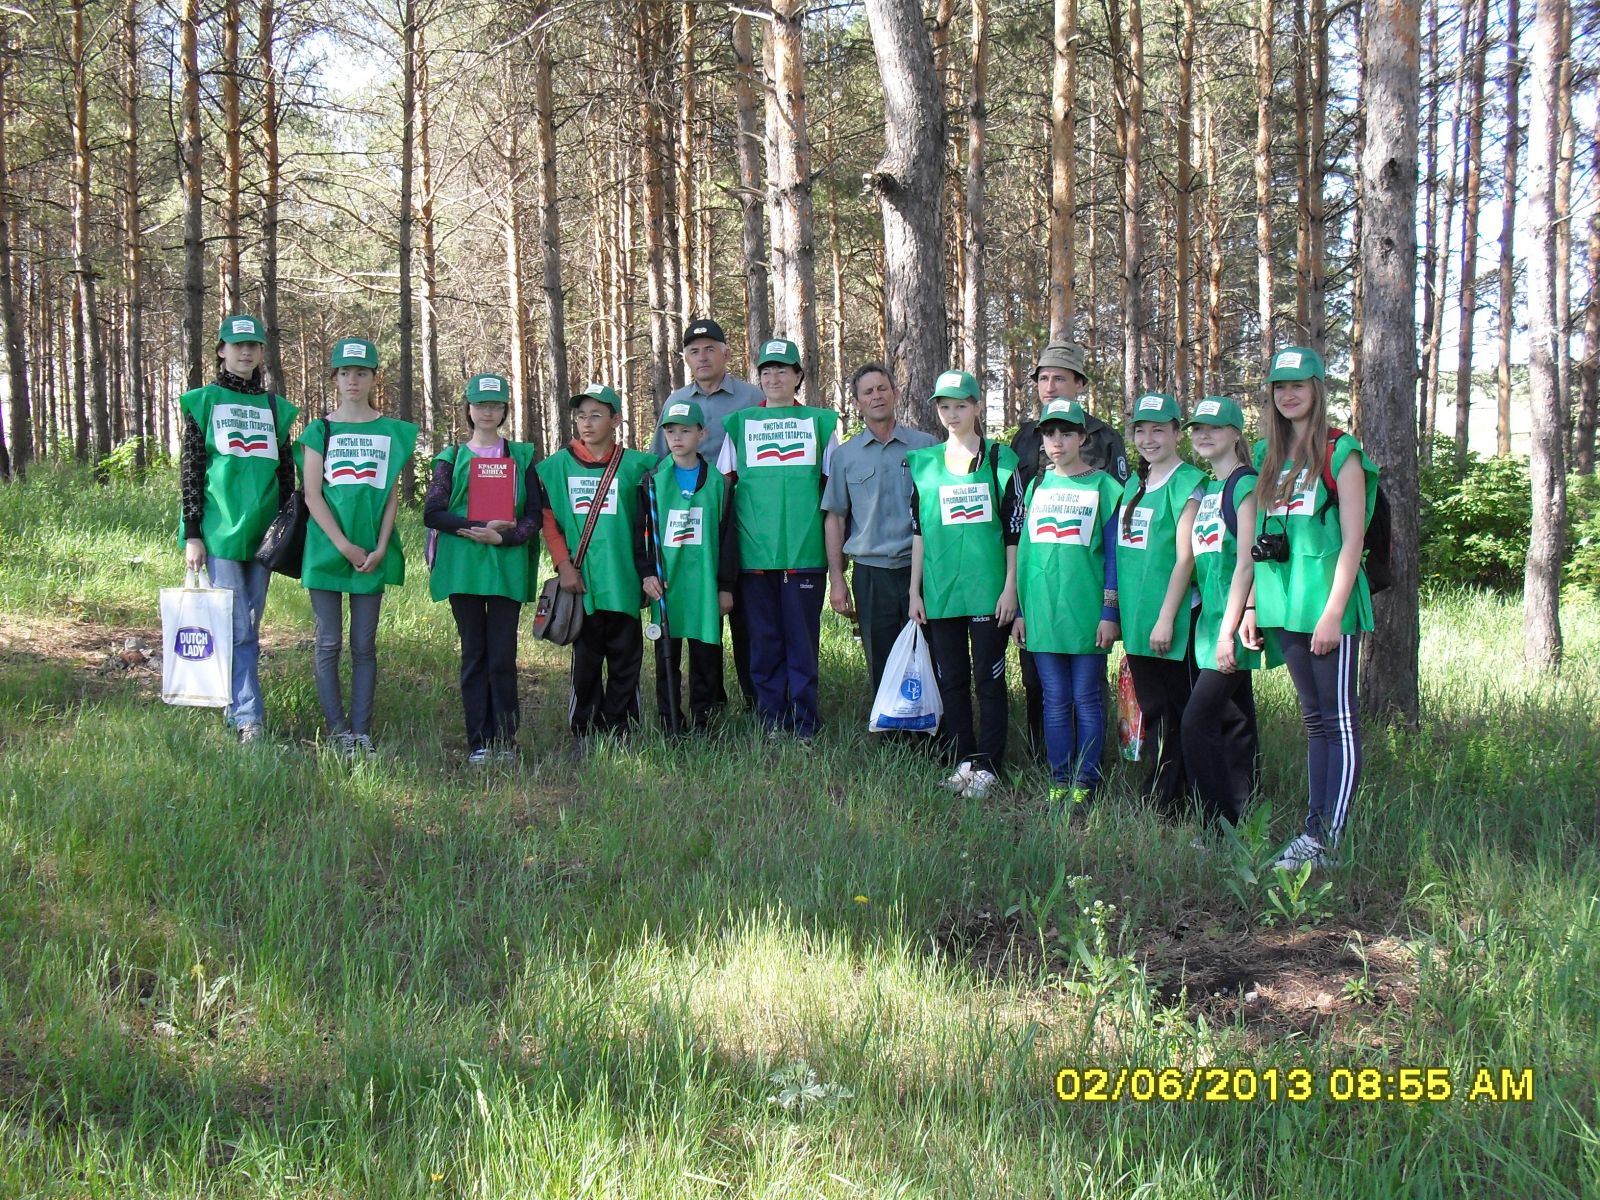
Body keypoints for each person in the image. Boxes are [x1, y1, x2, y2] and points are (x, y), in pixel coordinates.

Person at [1247, 346, 1379, 869]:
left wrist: (1332, 613)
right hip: (1285, 605)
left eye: (1297, 384)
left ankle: (1328, 839)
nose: (1288, 394)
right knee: (1314, 721)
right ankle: (1313, 829)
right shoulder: (1267, 454)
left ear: (1317, 389)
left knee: (1338, 719)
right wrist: (1253, 605)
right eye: (1279, 386)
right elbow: (1261, 535)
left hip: (1327, 607)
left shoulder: (1341, 452)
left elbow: (1353, 540)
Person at [178, 313, 299, 743]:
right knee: (239, 626)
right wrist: (193, 533)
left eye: (253, 345)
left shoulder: (275, 408)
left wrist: (285, 530)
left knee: (248, 622)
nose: (246, 351)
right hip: (220, 532)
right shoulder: (204, 401)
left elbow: (285, 476)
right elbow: (191, 470)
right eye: (237, 344)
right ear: (221, 350)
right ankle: (249, 717)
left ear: (262, 352)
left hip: (264, 536)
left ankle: (235, 708)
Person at [296, 338, 418, 753]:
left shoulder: (390, 431)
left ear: (373, 378)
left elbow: (390, 497)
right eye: (345, 372)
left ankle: (361, 731)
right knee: (328, 642)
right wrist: (343, 546)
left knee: (364, 646)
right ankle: (337, 731)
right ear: (335, 377)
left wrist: (381, 546)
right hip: (327, 549)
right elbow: (312, 495)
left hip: (371, 552)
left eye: (361, 372)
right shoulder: (320, 430)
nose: (353, 380)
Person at [1009, 340, 1130, 761]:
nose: (1050, 385)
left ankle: (1089, 771)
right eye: (1042, 378)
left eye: (1059, 377)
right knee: (1046, 692)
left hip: (1084, 604)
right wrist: (1019, 607)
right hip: (1042, 606)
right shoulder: (1027, 448)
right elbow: (1022, 541)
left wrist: (1110, 611)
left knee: (1087, 694)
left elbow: (1115, 544)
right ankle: (1052, 766)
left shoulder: (1105, 449)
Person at [717, 338, 839, 740]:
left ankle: (805, 722)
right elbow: (723, 488)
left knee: (802, 643)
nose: (773, 378)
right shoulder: (740, 424)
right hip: (754, 554)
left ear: (798, 376)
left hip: (806, 552)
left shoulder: (821, 423)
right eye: (766, 371)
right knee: (764, 642)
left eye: (782, 370)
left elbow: (834, 492)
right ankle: (771, 720)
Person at [908, 369, 1019, 798]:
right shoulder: (924, 464)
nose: (952, 414)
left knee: (988, 679)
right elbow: (919, 531)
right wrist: (914, 590)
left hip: (989, 591)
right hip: (941, 590)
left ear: (977, 406)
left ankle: (989, 764)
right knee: (951, 679)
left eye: (960, 405)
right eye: (944, 406)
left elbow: (1014, 532)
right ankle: (964, 759)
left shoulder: (1000, 460)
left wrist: (1010, 587)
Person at [423, 373, 545, 764]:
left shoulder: (521, 457)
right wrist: (477, 528)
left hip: (506, 566)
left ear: (505, 409)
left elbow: (534, 515)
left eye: (495, 405)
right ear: (469, 409)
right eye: (480, 405)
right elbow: (433, 513)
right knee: (474, 653)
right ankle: (479, 741)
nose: (487, 412)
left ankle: (506, 740)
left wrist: (503, 538)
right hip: (463, 568)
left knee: (502, 656)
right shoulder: (451, 458)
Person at [651, 318, 765, 708]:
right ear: (685, 358)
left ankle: (755, 699)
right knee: (698, 615)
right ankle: (709, 703)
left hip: (741, 519)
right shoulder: (676, 402)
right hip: (688, 526)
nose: (702, 357)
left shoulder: (751, 397)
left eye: (710, 349)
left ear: (726, 353)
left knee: (740, 613)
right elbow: (659, 463)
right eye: (694, 351)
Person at [538, 382, 656, 738]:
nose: (587, 423)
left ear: (615, 420)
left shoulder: (638, 466)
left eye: (596, 415)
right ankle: (585, 727)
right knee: (586, 661)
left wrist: (647, 573)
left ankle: (620, 726)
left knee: (626, 660)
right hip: (582, 584)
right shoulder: (557, 466)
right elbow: (550, 523)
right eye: (581, 416)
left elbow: (651, 522)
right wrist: (564, 566)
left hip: (623, 581)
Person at [1179, 395, 1276, 827]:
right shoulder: (1211, 488)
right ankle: (1243, 814)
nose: (1203, 435)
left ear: (1236, 433)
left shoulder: (1245, 484)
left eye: (1214, 428)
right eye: (1198, 428)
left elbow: (1247, 562)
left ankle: (1214, 823)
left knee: (1196, 722)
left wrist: (1228, 631)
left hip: (1231, 626)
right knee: (1235, 719)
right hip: (1211, 623)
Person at [1115, 391, 1206, 817]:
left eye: (1158, 430)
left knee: (1178, 711)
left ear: (1176, 433)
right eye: (1141, 430)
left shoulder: (1189, 483)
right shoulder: (1134, 484)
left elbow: (1186, 558)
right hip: (1138, 617)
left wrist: (1166, 618)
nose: (1149, 439)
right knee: (1152, 709)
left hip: (1173, 619)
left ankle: (1172, 800)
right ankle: (1162, 789)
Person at [822, 362, 937, 696]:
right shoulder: (845, 456)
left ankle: (933, 723)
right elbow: (835, 518)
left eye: (882, 388)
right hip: (871, 573)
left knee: (928, 654)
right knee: (881, 660)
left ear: (895, 393)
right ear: (857, 402)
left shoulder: (926, 447)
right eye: (868, 392)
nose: (876, 396)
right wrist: (837, 579)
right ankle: (889, 723)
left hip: (921, 570)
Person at [635, 399, 739, 733]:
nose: (677, 438)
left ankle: (704, 718)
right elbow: (640, 534)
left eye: (685, 431)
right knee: (667, 654)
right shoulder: (651, 481)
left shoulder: (719, 483)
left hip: (705, 584)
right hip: (666, 584)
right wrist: (647, 573)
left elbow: (728, 538)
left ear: (701, 434)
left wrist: (726, 586)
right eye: (671, 431)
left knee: (706, 653)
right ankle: (670, 720)